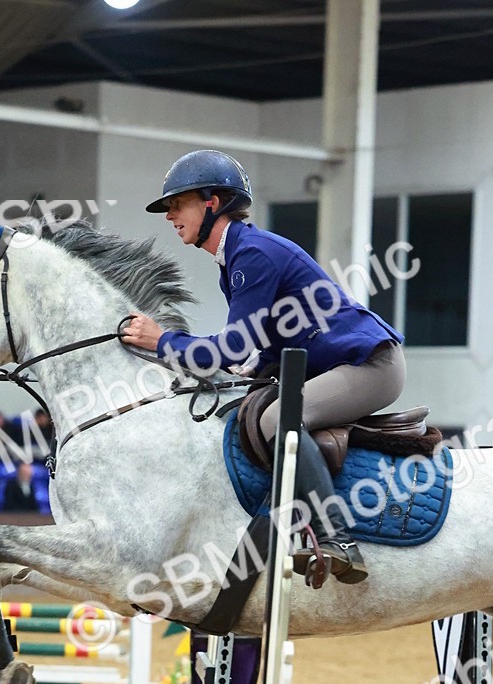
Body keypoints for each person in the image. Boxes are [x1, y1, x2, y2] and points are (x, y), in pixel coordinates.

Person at [122, 150, 407, 586]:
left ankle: (337, 539)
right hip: (332, 364)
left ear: (212, 202)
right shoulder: (238, 256)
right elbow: (258, 350)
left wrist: (162, 341)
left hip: (371, 365)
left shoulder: (252, 254)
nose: (170, 215)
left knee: (276, 419)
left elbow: (232, 349)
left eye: (177, 204)